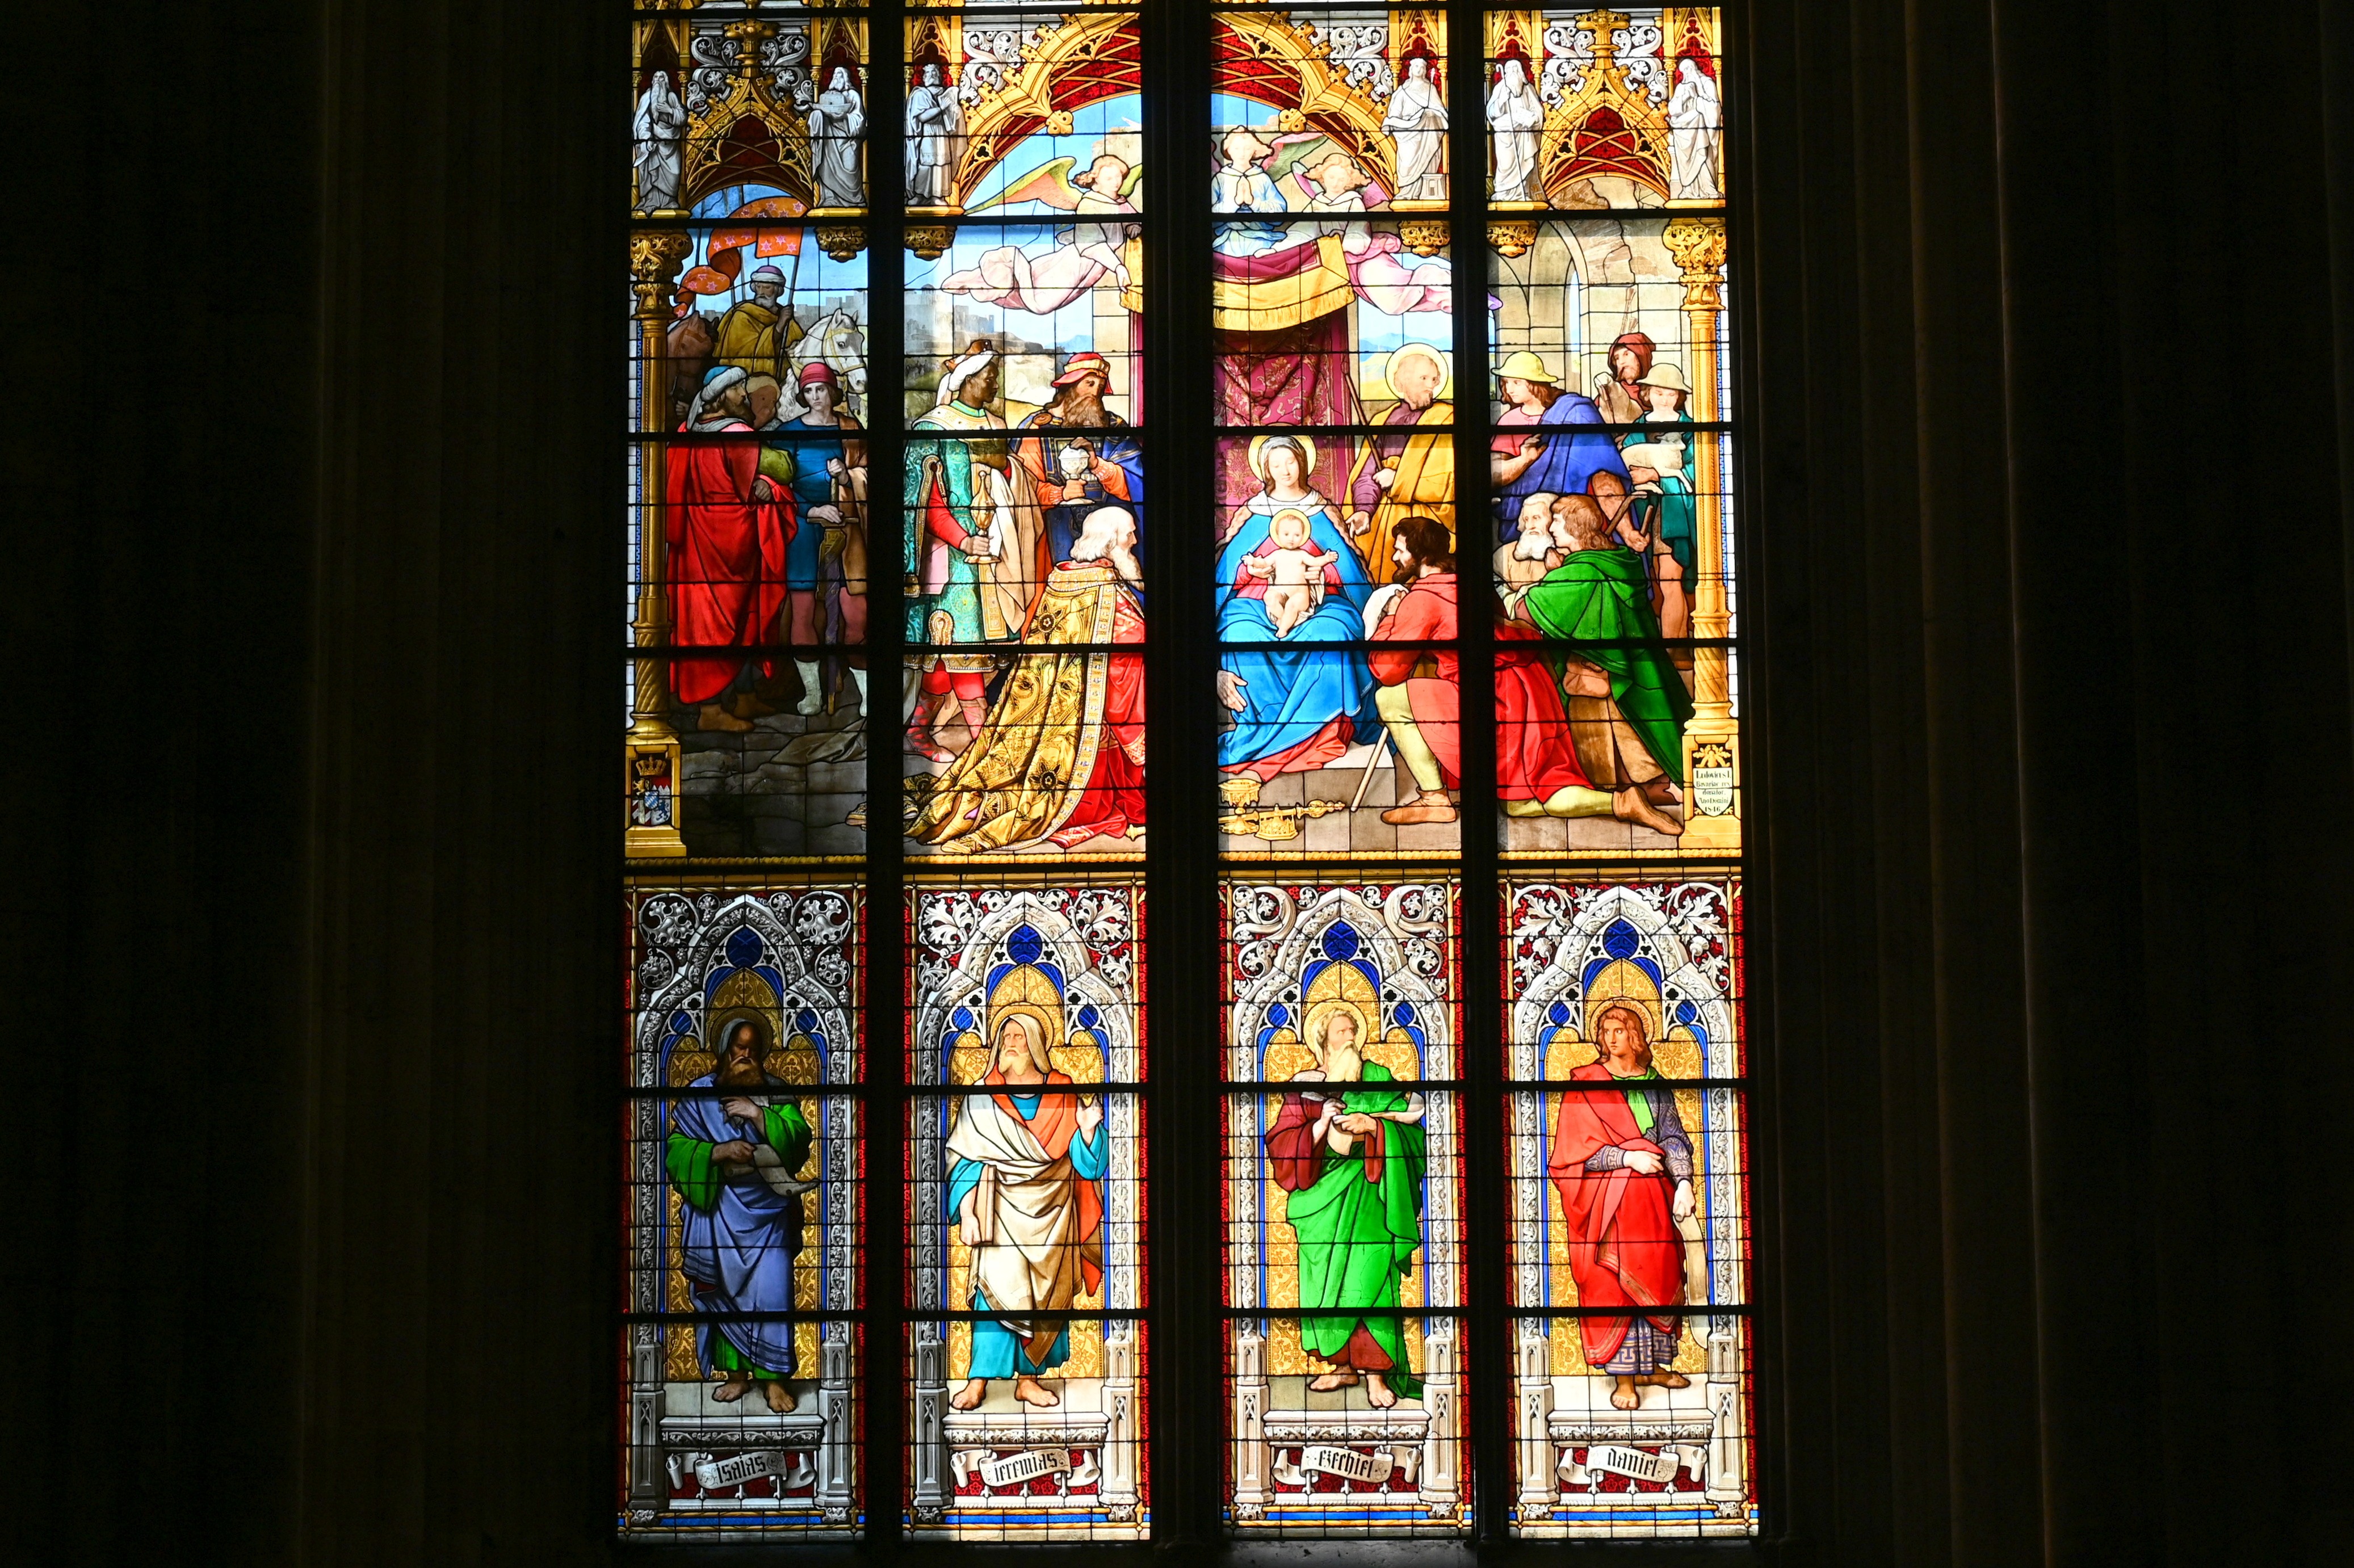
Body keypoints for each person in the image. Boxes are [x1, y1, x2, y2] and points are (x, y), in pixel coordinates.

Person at [909, 507, 1147, 852]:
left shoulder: (1062, 579)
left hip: (1059, 708)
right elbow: (1131, 643)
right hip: (1087, 713)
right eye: (1129, 534)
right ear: (1110, 541)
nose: (1134, 541)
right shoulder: (1104, 587)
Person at [1369, 515, 1618, 828]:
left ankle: (1434, 800)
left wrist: (1390, 619)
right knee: (1519, 803)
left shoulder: (1423, 598)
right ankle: (1620, 803)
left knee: (1389, 698)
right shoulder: (1472, 585)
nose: (1395, 557)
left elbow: (1389, 671)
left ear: (1421, 555)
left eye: (1401, 550)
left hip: (1489, 699)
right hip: (1527, 693)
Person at [1264, 1008, 1426, 1409]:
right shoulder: (1304, 1087)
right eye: (1341, 1031)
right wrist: (1321, 1124)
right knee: (1325, 1286)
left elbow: (1415, 1131)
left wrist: (1375, 1127)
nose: (1350, 1037)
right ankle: (1341, 1366)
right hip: (1320, 1202)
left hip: (1369, 1195)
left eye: (1353, 1030)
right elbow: (1281, 1143)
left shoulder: (1378, 1079)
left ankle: (1376, 1375)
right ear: (1323, 1040)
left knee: (1371, 1281)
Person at [945, 1014, 1107, 1410]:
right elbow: (964, 1160)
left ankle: (1029, 1380)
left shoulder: (1063, 1093)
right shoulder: (982, 1097)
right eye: (1005, 1036)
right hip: (1000, 1211)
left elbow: (1088, 1167)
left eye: (1018, 1036)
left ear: (1035, 1043)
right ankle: (978, 1380)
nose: (1010, 1043)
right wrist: (968, 1213)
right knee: (994, 1295)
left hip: (1055, 1215)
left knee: (1047, 1299)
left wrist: (1088, 1130)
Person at [1547, 1003, 1695, 1410]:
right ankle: (1625, 1379)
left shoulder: (1654, 1084)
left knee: (1659, 1275)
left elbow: (1672, 1138)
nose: (1611, 1038)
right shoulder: (1586, 1084)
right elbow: (1571, 1156)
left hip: (1655, 1201)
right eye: (1605, 1030)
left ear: (1636, 1036)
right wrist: (1626, 1157)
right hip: (1606, 1207)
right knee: (1615, 1285)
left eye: (1619, 1030)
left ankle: (1653, 1366)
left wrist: (1683, 1182)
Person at [668, 1019, 813, 1414]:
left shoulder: (776, 1092)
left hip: (769, 1210)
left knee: (772, 1294)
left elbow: (799, 1140)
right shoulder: (699, 1096)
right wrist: (718, 1152)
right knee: (724, 1294)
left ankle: (773, 1380)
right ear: (724, 1048)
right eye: (738, 1047)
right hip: (718, 1208)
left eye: (752, 1048)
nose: (745, 1055)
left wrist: (757, 1113)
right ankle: (736, 1375)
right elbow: (675, 1150)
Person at [1522, 493, 1690, 832]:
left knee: (1615, 738)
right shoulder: (1619, 560)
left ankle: (1625, 789)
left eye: (1558, 521)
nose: (1552, 528)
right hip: (1630, 672)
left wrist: (1555, 575)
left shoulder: (1581, 572)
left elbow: (1529, 610)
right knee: (1632, 736)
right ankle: (1644, 787)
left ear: (1576, 527)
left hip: (1598, 681)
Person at [1216, 436, 1377, 782]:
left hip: (1318, 600)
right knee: (1238, 632)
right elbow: (1229, 574)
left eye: (1290, 462)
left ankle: (1322, 736)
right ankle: (1261, 729)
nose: (1285, 471)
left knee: (1334, 632)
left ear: (1303, 463)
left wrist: (1321, 573)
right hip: (1256, 601)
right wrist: (1252, 569)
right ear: (1265, 469)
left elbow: (1346, 570)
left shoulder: (1322, 512)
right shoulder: (1253, 513)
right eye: (1276, 464)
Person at [905, 343, 1026, 761]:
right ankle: (987, 751)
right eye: (989, 376)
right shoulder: (933, 427)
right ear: (968, 380)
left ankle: (917, 731)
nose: (995, 384)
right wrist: (964, 540)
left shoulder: (996, 424)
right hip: (951, 561)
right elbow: (926, 503)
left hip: (998, 556)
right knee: (963, 649)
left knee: (946, 662)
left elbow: (1011, 481)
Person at [665, 365, 795, 734]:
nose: (745, 396)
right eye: (739, 389)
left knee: (719, 621)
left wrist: (763, 483)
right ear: (722, 396)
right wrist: (773, 487)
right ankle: (710, 709)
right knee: (727, 624)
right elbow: (768, 477)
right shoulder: (738, 434)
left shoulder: (686, 433)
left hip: (696, 541)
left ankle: (743, 695)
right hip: (729, 541)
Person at [774, 362, 870, 713]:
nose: (816, 397)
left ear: (833, 391)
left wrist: (847, 478)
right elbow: (776, 486)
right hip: (802, 530)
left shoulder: (851, 429)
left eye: (821, 389)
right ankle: (813, 693)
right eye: (809, 391)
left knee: (857, 612)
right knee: (803, 611)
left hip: (849, 528)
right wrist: (812, 510)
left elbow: (873, 474)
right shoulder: (788, 432)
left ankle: (867, 695)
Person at [1015, 349, 1144, 571]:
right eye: (1089, 383)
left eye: (1101, 387)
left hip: (1111, 540)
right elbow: (1021, 490)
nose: (1095, 392)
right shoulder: (1037, 428)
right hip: (1053, 533)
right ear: (1070, 386)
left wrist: (1097, 465)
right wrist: (1060, 494)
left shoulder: (1114, 428)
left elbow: (1137, 484)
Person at [1348, 342, 1455, 586]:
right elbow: (1367, 473)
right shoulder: (1383, 420)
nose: (1431, 385)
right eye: (1424, 378)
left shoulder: (1449, 419)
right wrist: (1364, 510)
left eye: (1435, 379)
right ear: (1402, 382)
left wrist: (1398, 481)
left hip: (1428, 522)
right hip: (1386, 522)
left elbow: (1451, 481)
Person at [1241, 508, 1342, 639]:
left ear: (1303, 536)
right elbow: (1264, 563)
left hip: (1300, 595)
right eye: (1286, 534)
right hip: (1280, 593)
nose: (1291, 539)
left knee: (1292, 605)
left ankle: (1283, 629)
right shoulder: (1277, 554)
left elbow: (1315, 562)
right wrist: (1253, 561)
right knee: (1269, 597)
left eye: (1297, 535)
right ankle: (1283, 619)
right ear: (1278, 535)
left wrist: (1327, 558)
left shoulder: (1302, 554)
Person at [714, 264, 799, 384]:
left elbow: (799, 347)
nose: (761, 292)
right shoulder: (742, 315)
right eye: (758, 287)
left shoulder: (785, 316)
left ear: (778, 290)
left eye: (767, 287)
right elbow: (744, 354)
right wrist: (779, 326)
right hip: (743, 383)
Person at [1384, 55, 1449, 201]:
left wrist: (1434, 113)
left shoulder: (1431, 89)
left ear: (1425, 71)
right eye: (1416, 67)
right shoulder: (1402, 91)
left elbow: (1441, 111)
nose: (1419, 69)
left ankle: (1423, 192)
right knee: (1407, 163)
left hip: (1427, 131)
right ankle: (1407, 192)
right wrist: (1406, 121)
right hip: (1407, 134)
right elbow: (1395, 114)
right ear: (1411, 70)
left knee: (1428, 158)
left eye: (1422, 67)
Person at [907, 62, 964, 207]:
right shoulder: (920, 94)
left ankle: (937, 196)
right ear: (924, 77)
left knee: (941, 164)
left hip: (942, 133)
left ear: (940, 76)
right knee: (926, 163)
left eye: (935, 73)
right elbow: (922, 117)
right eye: (929, 73)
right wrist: (941, 108)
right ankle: (919, 195)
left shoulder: (945, 94)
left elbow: (954, 116)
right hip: (928, 133)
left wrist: (956, 112)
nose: (932, 76)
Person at [1486, 57, 1543, 203]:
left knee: (1524, 163)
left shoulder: (1529, 89)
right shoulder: (1501, 88)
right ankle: (1503, 193)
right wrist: (1501, 101)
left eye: (1515, 69)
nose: (1512, 73)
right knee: (1506, 164)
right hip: (1505, 135)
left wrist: (1532, 118)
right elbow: (1491, 113)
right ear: (1505, 72)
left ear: (1521, 72)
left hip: (1524, 134)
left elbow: (1538, 111)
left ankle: (1523, 192)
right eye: (1509, 70)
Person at [808, 66, 866, 209]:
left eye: (840, 75)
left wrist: (843, 117)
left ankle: (855, 201)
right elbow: (819, 114)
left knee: (850, 168)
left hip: (848, 141)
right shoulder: (827, 95)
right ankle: (830, 198)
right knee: (827, 168)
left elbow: (859, 121)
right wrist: (819, 115)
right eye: (835, 75)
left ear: (846, 79)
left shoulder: (853, 95)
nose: (836, 77)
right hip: (829, 139)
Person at [1668, 56, 1722, 202]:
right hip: (1684, 130)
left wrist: (1697, 98)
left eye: (1688, 69)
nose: (1687, 73)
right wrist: (1685, 97)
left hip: (1701, 128)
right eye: (1683, 71)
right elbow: (1672, 109)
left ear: (1694, 68)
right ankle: (1689, 189)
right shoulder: (1681, 87)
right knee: (1687, 160)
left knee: (1703, 154)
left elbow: (1714, 106)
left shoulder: (1707, 83)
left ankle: (1709, 189)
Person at [632, 72, 686, 214]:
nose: (658, 80)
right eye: (655, 77)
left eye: (661, 78)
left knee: (674, 173)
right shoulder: (647, 98)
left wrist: (670, 111)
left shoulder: (671, 97)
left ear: (666, 81)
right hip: (654, 143)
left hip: (671, 144)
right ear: (652, 81)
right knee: (652, 173)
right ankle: (651, 201)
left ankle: (669, 201)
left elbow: (682, 118)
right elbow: (642, 122)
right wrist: (647, 139)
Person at [1592, 331, 1657, 425]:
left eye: (1626, 354)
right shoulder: (1609, 393)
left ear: (1642, 356)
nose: (1621, 362)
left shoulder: (1660, 390)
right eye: (1617, 358)